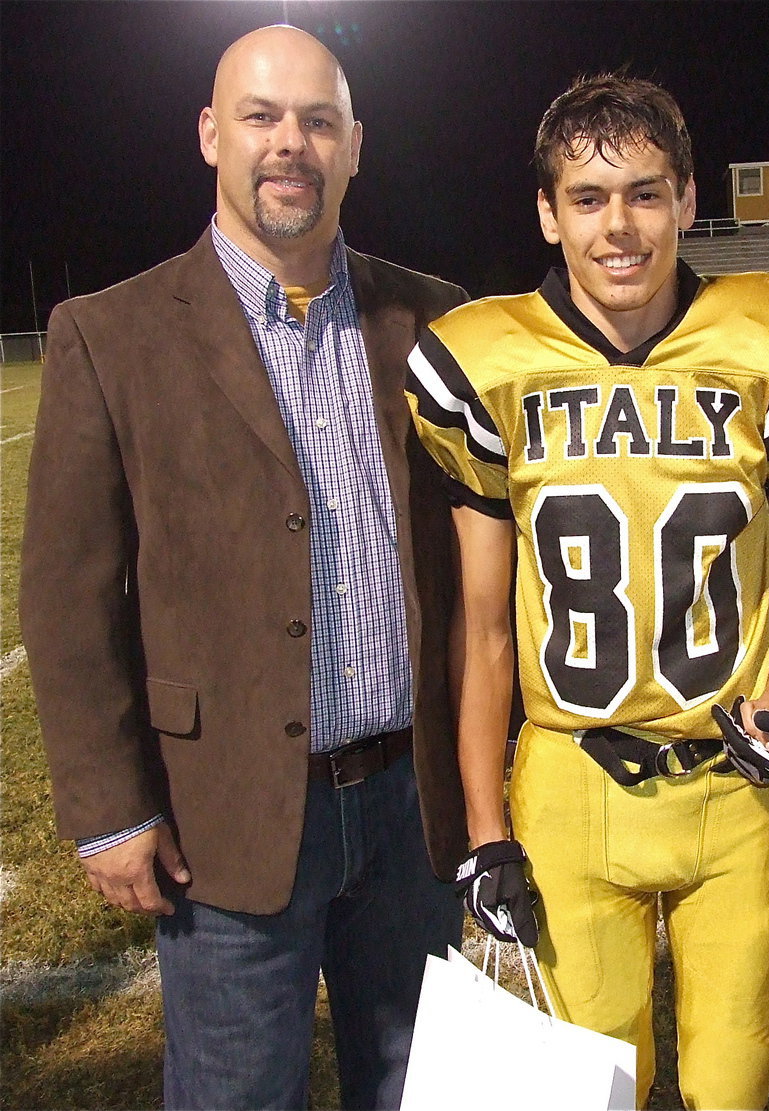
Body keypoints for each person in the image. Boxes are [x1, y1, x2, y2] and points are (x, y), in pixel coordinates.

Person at [20, 25, 467, 1111]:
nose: (290, 144)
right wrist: (111, 809)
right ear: (211, 134)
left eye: (318, 120)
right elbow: (70, 601)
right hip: (226, 811)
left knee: (416, 1088)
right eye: (261, 117)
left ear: (355, 144)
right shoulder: (111, 333)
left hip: (411, 802)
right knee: (237, 1095)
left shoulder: (436, 318)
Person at [405, 73, 769, 1109]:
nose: (620, 226)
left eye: (645, 193)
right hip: (569, 782)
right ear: (547, 214)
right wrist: (485, 829)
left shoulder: (767, 336)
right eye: (589, 198)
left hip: (736, 782)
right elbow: (484, 629)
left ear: (687, 199)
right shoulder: (487, 361)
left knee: (733, 1085)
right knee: (593, 1090)